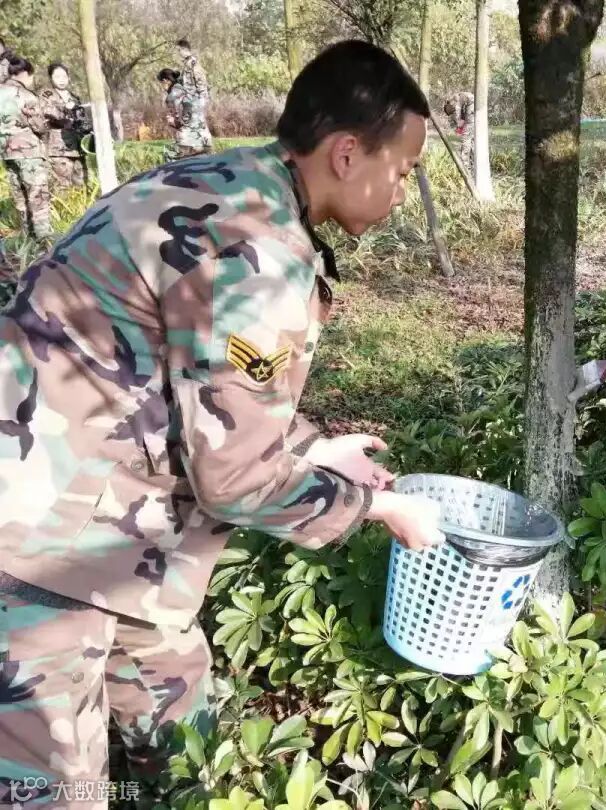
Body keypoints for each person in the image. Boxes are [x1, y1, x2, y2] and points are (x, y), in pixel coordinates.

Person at [0, 40, 445, 808]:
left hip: (110, 516)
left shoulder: (222, 183)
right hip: (37, 540)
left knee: (180, 723)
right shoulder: (258, 255)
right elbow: (234, 480)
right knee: (56, 789)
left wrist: (315, 446)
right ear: (347, 154)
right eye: (403, 171)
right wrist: (377, 508)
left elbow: (201, 384)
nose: (402, 193)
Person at [0, 56, 52, 241]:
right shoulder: (26, 95)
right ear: (25, 73)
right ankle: (45, 240)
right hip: (29, 153)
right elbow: (39, 126)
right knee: (37, 197)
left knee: (20, 197)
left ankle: (27, 240)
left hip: (7, 153)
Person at [39, 62, 90, 189]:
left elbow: (82, 117)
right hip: (59, 148)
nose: (61, 80)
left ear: (68, 77)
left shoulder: (74, 97)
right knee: (63, 187)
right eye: (57, 77)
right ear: (51, 78)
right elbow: (48, 112)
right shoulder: (46, 95)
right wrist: (65, 109)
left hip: (77, 147)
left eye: (64, 76)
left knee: (82, 184)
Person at [158, 66, 209, 159]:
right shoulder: (186, 90)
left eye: (161, 83)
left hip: (188, 137)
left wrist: (171, 121)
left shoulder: (172, 97)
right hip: (203, 135)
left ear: (165, 81)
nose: (161, 86)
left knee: (171, 158)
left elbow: (180, 120)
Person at [177, 38, 212, 150]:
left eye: (179, 50)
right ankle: (190, 146)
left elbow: (201, 81)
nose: (178, 53)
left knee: (199, 122)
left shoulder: (193, 63)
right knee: (191, 123)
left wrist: (202, 99)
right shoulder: (186, 64)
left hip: (196, 99)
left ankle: (206, 147)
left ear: (184, 49)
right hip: (189, 99)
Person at [443, 90, 475, 174]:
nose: (452, 113)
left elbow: (459, 118)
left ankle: (465, 166)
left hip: (471, 106)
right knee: (472, 139)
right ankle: (472, 163)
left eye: (450, 112)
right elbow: (462, 116)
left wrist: (459, 130)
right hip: (473, 107)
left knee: (465, 138)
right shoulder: (457, 99)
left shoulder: (455, 102)